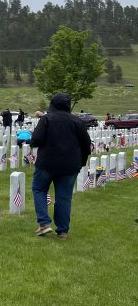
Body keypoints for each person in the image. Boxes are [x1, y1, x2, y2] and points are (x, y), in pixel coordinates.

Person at [29, 93, 91, 239]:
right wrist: (81, 162)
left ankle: (44, 224)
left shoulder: (47, 118)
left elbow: (36, 140)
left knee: (39, 189)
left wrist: (34, 143)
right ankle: (62, 231)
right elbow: (87, 145)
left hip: (47, 162)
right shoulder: (78, 121)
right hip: (70, 165)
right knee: (64, 197)